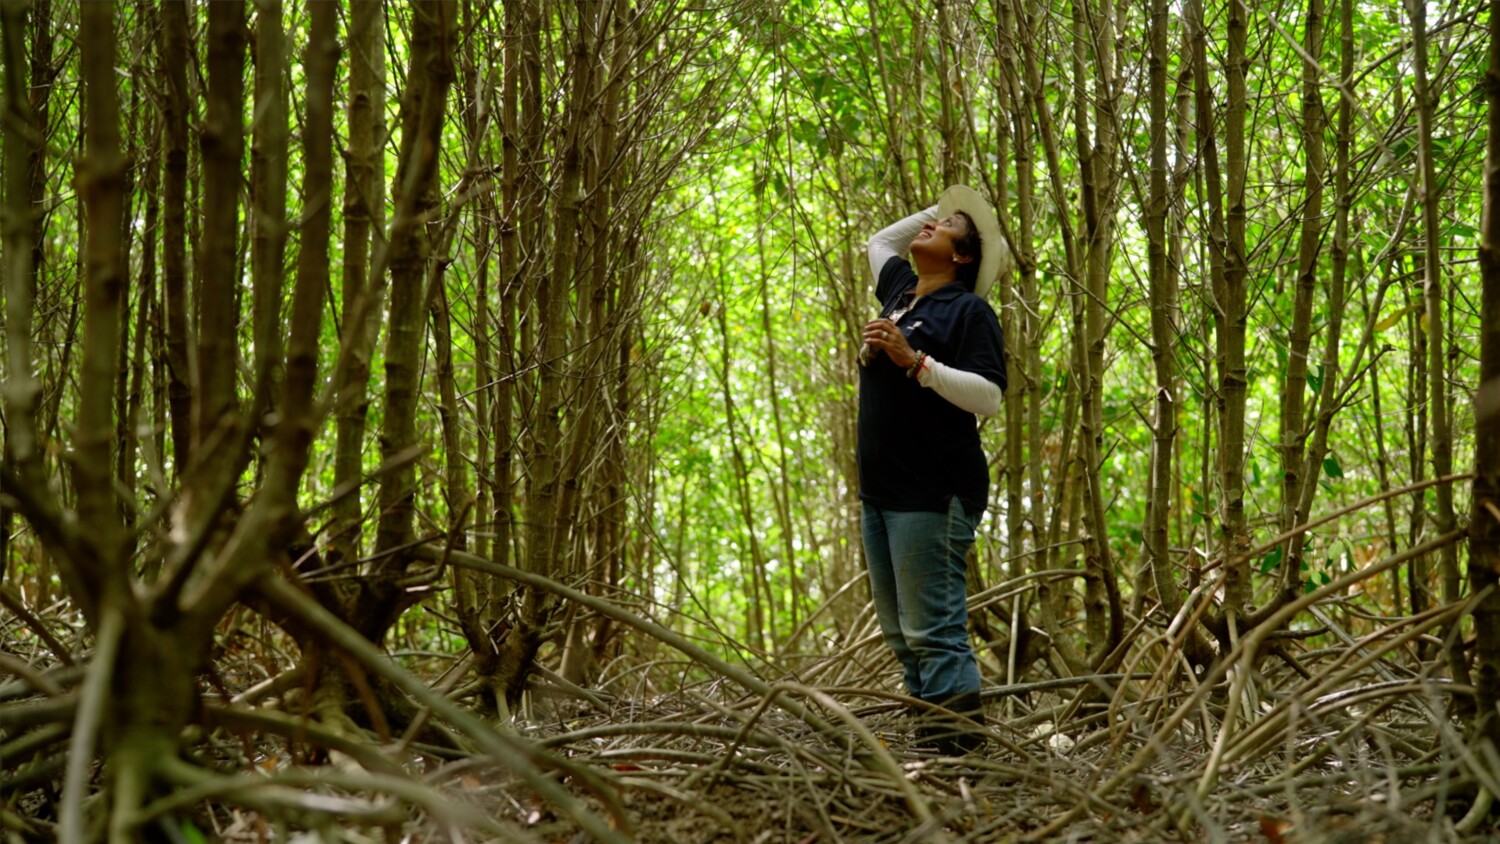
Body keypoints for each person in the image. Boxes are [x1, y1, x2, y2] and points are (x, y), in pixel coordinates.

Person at [858, 185, 1010, 755]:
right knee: (903, 637)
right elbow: (879, 241)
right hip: (880, 491)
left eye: (947, 229)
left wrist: (915, 361)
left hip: (933, 492)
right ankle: (934, 751)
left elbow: (989, 397)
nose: (928, 227)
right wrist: (947, 212)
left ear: (963, 257)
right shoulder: (899, 291)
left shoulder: (970, 312)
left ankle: (962, 766)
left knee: (935, 634)